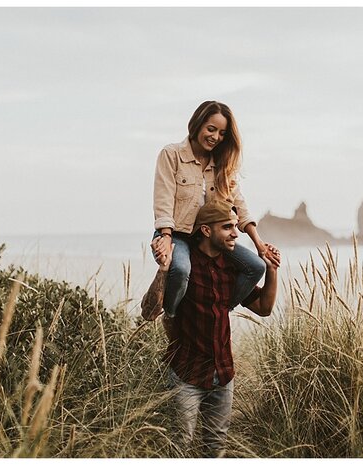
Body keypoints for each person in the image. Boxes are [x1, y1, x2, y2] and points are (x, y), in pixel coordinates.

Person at [141, 200, 280, 457]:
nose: (236, 234)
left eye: (235, 226)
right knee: (178, 447)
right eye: (227, 227)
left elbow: (264, 308)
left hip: (223, 374)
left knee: (215, 448)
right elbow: (149, 312)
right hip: (186, 375)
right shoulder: (182, 266)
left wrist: (271, 270)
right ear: (206, 230)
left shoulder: (233, 269)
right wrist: (162, 269)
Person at [151, 100, 280, 318]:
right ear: (197, 124)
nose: (216, 137)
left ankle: (217, 312)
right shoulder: (171, 154)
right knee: (181, 270)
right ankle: (172, 317)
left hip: (208, 237)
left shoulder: (222, 163)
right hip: (177, 235)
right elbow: (163, 198)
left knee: (257, 267)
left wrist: (259, 244)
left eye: (222, 133)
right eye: (211, 129)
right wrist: (165, 235)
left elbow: (239, 204)